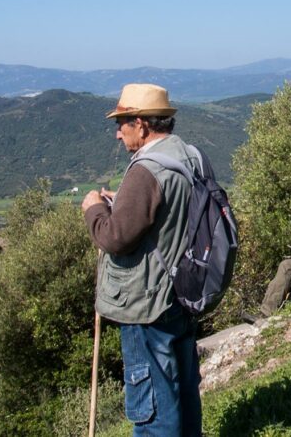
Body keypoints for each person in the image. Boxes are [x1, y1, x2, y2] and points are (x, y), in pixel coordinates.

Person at [81, 83, 203, 435]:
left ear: (142, 124)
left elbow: (114, 238)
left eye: (122, 124)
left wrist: (94, 210)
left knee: (151, 405)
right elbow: (169, 211)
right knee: (182, 392)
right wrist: (124, 200)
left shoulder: (145, 170)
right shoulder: (185, 154)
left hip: (147, 303)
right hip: (180, 293)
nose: (118, 134)